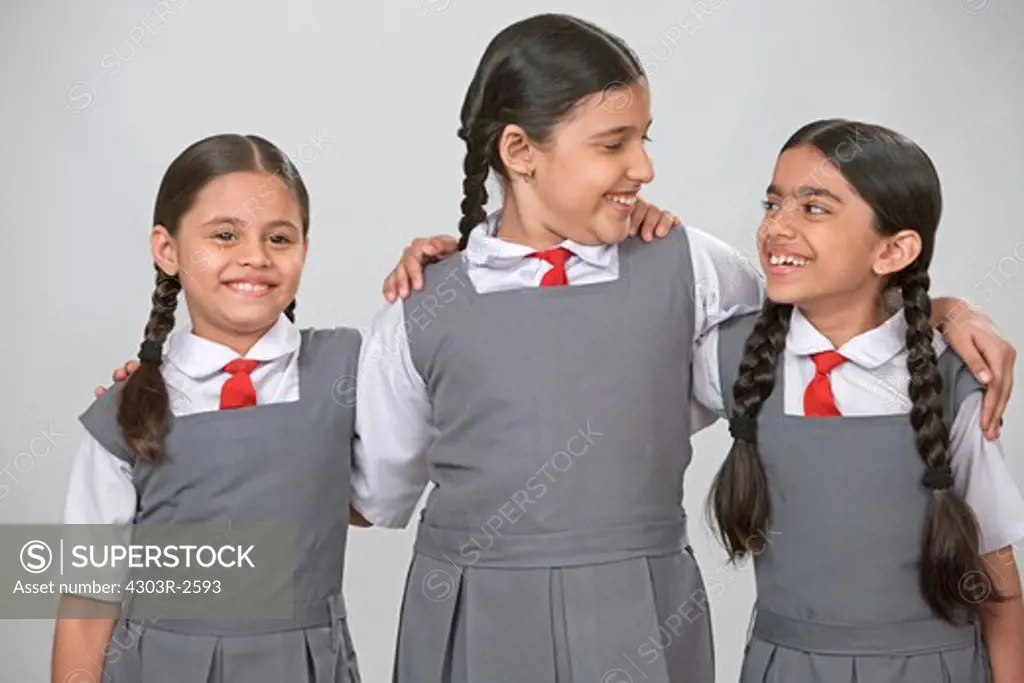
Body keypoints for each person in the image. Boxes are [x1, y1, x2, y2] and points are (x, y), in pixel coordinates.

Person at [355, 14, 1015, 683]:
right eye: (614, 145)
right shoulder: (420, 304)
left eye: (643, 139)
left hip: (641, 615)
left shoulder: (693, 265)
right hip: (473, 622)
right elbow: (378, 492)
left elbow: (828, 317)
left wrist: (945, 310)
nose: (644, 167)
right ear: (521, 151)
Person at [708, 119, 1024, 682]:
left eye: (814, 208)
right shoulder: (729, 354)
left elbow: (998, 582)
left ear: (895, 249)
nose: (777, 226)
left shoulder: (951, 380)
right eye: (773, 203)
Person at [53, 134, 364, 683]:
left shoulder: (352, 372)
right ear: (167, 249)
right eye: (225, 235)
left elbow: (390, 490)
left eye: (280, 237)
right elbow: (87, 602)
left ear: (305, 250)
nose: (255, 257)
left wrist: (439, 266)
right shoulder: (125, 414)